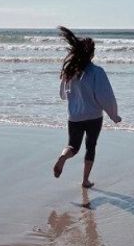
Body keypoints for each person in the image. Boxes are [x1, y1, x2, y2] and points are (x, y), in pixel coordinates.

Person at [52, 26, 121, 188]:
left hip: (74, 117)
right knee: (90, 147)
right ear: (92, 53)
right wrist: (114, 115)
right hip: (94, 117)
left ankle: (62, 157)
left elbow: (63, 95)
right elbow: (105, 97)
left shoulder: (70, 72)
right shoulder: (97, 72)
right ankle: (85, 180)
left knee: (73, 146)